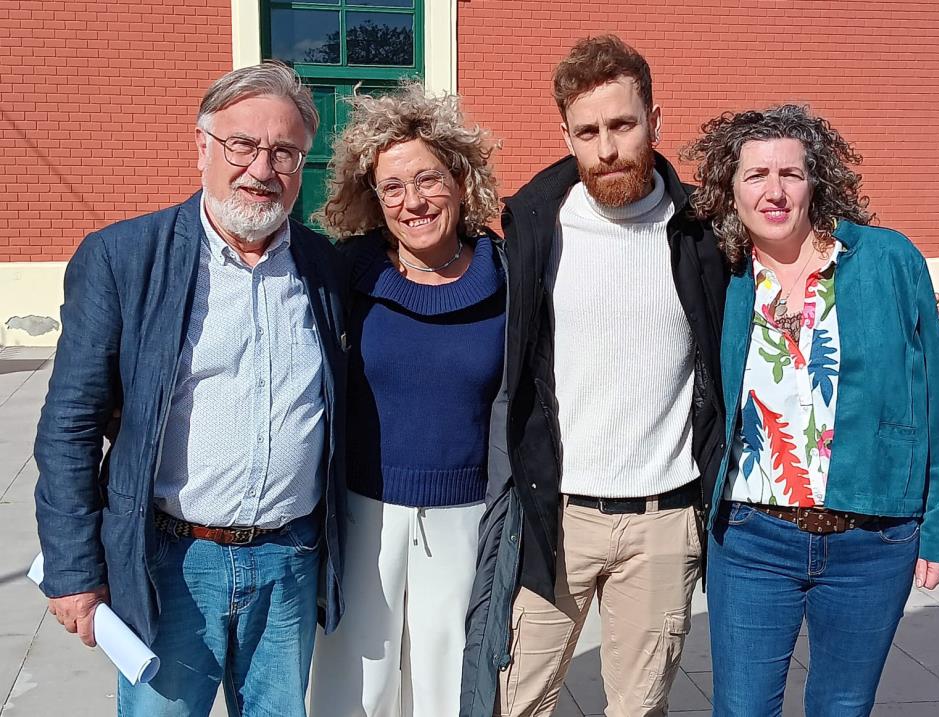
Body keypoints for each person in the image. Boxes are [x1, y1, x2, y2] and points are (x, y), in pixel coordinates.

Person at [33, 62, 348, 716]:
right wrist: (73, 570)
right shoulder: (125, 258)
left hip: (290, 562)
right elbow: (69, 424)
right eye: (242, 144)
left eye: (284, 152)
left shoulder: (323, 267)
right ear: (202, 145)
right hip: (171, 566)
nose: (262, 169)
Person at [461, 35, 728, 717]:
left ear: (655, 121)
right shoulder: (533, 226)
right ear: (567, 135)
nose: (607, 148)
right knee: (515, 700)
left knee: (640, 709)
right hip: (558, 517)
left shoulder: (705, 232)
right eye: (589, 131)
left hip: (663, 520)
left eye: (623, 124)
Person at [685, 104, 939, 716]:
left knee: (843, 705)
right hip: (753, 537)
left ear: (818, 180)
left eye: (791, 173)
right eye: (754, 175)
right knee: (740, 708)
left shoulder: (889, 261)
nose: (774, 191)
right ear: (728, 190)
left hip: (872, 541)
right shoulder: (721, 274)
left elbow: (936, 402)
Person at [308, 83, 503, 717]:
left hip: (466, 516)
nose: (412, 201)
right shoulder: (345, 273)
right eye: (392, 187)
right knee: (354, 689)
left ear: (461, 178)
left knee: (451, 683)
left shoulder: (506, 277)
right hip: (364, 510)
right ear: (372, 197)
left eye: (428, 179)